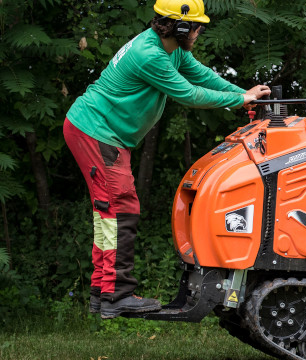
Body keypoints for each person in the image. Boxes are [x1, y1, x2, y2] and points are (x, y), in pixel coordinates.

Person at [63, 0, 270, 319]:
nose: (201, 32)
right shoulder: (151, 55)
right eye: (198, 26)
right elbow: (189, 94)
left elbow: (200, 75)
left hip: (99, 132)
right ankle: (116, 295)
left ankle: (102, 292)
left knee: (108, 213)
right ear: (181, 27)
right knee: (120, 208)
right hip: (96, 131)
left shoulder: (167, 47)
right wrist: (239, 99)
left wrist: (242, 96)